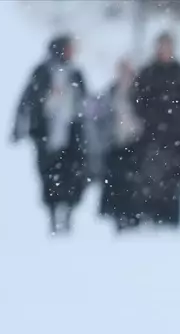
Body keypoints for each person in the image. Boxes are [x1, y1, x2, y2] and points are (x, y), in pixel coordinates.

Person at [12, 34, 90, 235]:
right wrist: (21, 127)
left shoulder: (75, 73)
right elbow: (28, 99)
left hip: (72, 132)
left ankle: (69, 214)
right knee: (50, 176)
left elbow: (85, 102)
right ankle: (54, 215)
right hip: (47, 134)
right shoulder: (42, 72)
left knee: (73, 175)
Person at [133, 31, 180, 228]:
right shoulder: (147, 73)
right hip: (153, 133)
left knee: (175, 178)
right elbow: (136, 101)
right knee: (153, 176)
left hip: (177, 132)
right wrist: (146, 117)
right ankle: (152, 215)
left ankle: (172, 217)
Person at [95, 58, 144, 232]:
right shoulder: (110, 92)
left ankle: (134, 217)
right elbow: (99, 115)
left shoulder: (140, 93)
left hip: (135, 143)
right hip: (114, 144)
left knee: (134, 183)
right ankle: (118, 216)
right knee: (116, 183)